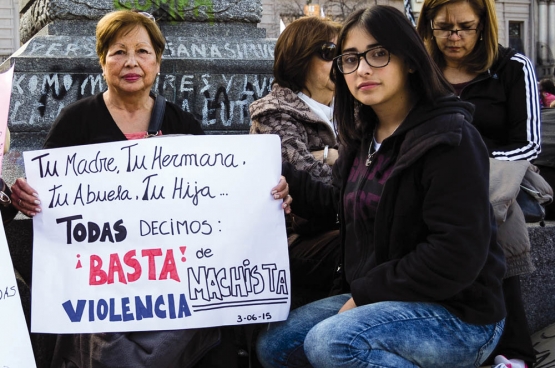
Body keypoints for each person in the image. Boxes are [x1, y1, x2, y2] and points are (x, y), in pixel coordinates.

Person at [9, 10, 292, 368]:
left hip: (174, 290)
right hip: (101, 295)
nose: (131, 62)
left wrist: (267, 198)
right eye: (118, 51)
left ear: (158, 62)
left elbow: (220, 197)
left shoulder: (181, 123)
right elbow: (36, 186)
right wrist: (22, 194)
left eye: (143, 51)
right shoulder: (75, 121)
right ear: (102, 61)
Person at [256, 5, 506, 367]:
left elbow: (455, 254)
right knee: (275, 345)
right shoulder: (362, 137)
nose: (363, 69)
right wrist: (286, 191)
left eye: (377, 54)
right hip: (385, 297)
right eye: (350, 59)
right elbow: (336, 204)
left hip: (459, 313)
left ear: (408, 59)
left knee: (333, 343)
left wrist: (365, 294)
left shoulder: (450, 138)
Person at [417, 0, 542, 366]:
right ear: (429, 25)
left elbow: (529, 142)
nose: (454, 37)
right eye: (443, 27)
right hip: (428, 182)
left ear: (483, 25)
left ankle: (515, 352)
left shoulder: (512, 67)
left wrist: (468, 168)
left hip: (495, 183)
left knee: (487, 227)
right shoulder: (420, 72)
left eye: (465, 27)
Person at [249, 16, 341, 309]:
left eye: (345, 53)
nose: (340, 61)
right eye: (329, 53)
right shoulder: (273, 113)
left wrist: (327, 156)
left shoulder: (355, 110)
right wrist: (335, 156)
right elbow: (311, 182)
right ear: (300, 57)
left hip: (344, 224)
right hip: (294, 238)